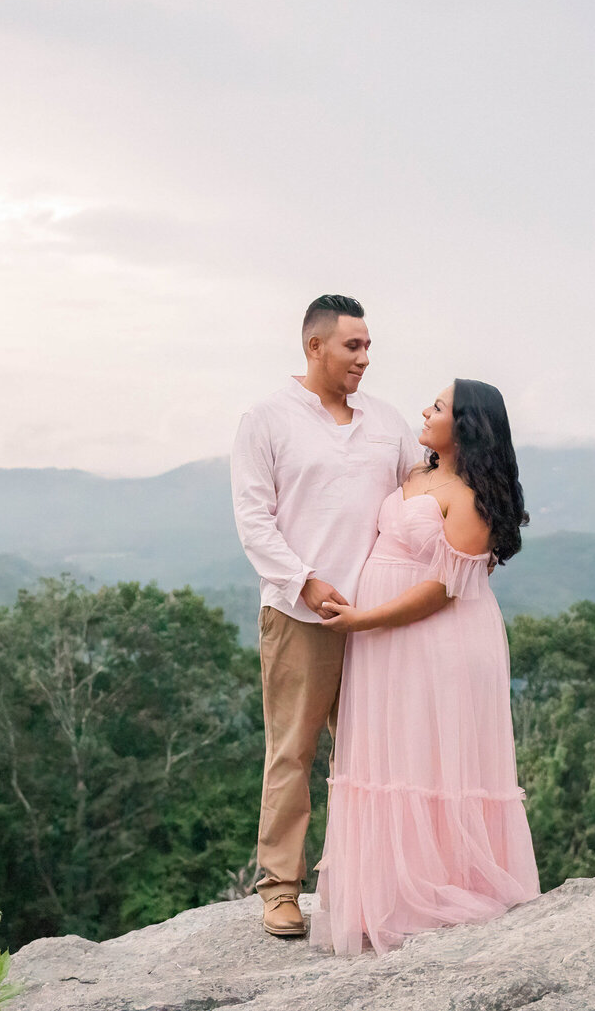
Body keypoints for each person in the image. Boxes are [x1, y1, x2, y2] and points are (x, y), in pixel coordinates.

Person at [311, 378, 540, 955]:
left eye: (437, 406)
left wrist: (362, 620)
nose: (424, 410)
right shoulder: (415, 472)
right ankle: (384, 893)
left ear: (465, 425)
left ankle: (437, 891)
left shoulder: (471, 499)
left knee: (428, 754)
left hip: (434, 637)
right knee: (388, 750)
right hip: (384, 638)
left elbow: (441, 591)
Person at [230, 294, 424, 937]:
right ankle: (281, 889)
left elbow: (418, 497)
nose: (365, 358)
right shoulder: (266, 419)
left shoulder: (388, 421)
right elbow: (253, 520)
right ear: (315, 347)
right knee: (293, 751)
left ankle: (374, 882)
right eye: (353, 346)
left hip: (376, 618)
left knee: (373, 755)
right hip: (298, 616)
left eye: (368, 346)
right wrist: (304, 582)